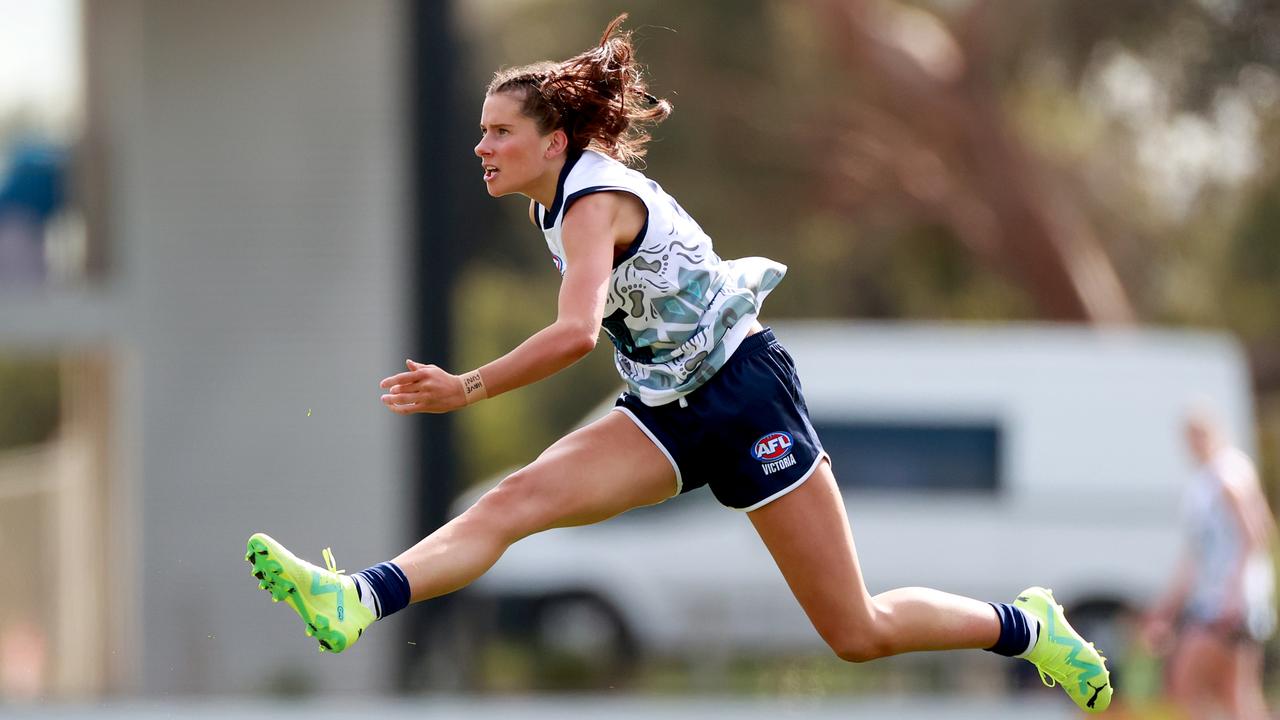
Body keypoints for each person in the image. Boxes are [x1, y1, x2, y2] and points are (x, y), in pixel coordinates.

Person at [245, 15, 1111, 712]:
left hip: (746, 398)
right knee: (512, 501)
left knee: (858, 629)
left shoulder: (588, 201)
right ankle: (358, 597)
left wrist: (466, 387)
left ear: (555, 142)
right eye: (481, 132)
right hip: (666, 413)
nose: (482, 147)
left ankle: (1026, 626)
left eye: (499, 132)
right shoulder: (553, 203)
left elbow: (575, 334)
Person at [1142, 409, 1276, 719]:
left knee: (1186, 679)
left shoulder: (1227, 474)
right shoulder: (1205, 482)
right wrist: (1167, 608)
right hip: (1219, 602)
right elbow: (1195, 558)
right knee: (1235, 692)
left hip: (1229, 605)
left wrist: (1235, 594)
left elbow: (1256, 533)